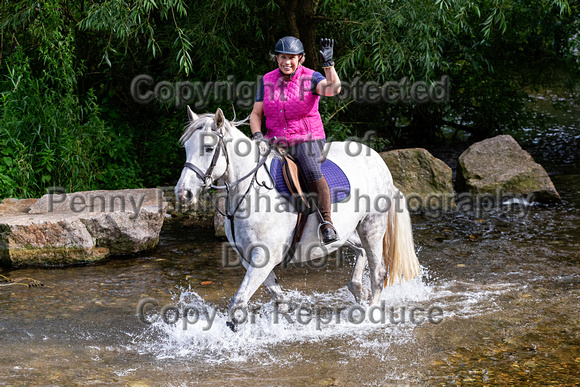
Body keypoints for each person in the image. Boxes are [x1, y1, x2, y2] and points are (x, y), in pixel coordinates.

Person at [250, 36, 342, 244]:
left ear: (300, 58)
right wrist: (257, 136)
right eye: (283, 57)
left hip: (307, 138)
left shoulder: (311, 77)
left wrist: (328, 65)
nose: (287, 62)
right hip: (274, 140)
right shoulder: (266, 80)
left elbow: (333, 89)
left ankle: (326, 222)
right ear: (277, 58)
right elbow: (256, 114)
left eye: (292, 57)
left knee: (310, 168)